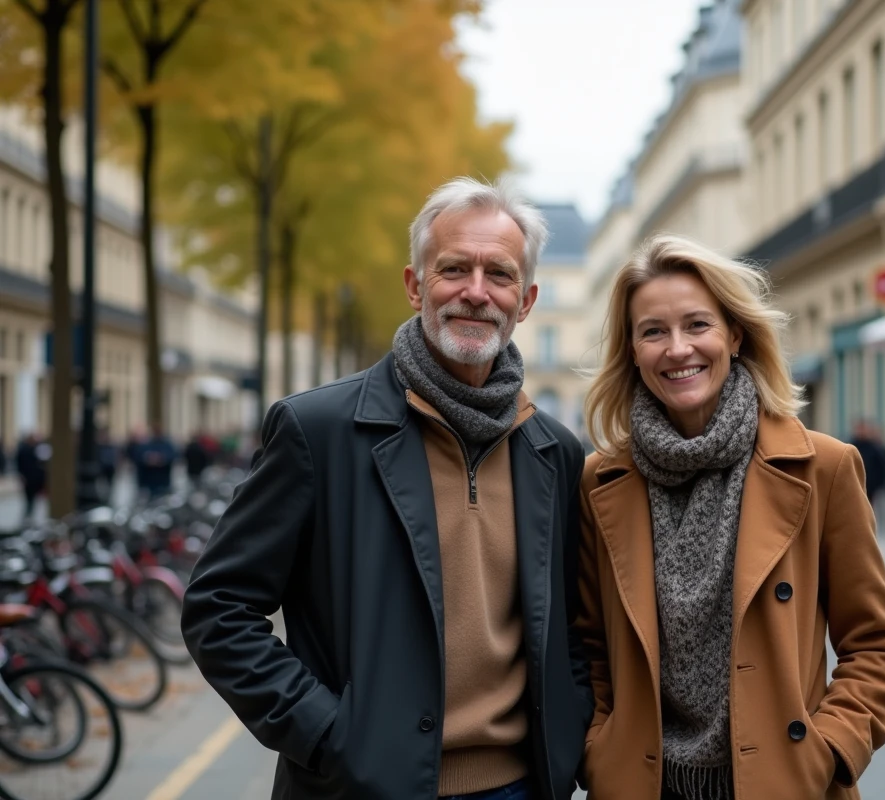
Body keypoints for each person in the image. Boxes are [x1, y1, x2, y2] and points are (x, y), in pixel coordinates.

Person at [182, 178, 592, 800]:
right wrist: (327, 735)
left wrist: (568, 730)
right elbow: (219, 608)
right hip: (360, 785)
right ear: (415, 284)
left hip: (521, 787)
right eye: (453, 268)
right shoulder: (316, 430)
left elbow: (571, 628)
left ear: (527, 299)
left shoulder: (554, 451)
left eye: (499, 275)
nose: (476, 292)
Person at [576, 234, 885, 800]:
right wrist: (599, 752)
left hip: (784, 785)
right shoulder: (600, 482)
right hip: (643, 785)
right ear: (632, 351)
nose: (678, 348)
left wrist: (828, 750)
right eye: (653, 331)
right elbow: (586, 647)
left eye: (697, 325)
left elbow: (878, 644)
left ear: (734, 334)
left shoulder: (822, 468)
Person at [850, 419, 885, 532]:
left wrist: (878, 483)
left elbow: (882, 467)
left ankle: (867, 529)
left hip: (870, 486)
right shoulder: (850, 446)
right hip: (853, 485)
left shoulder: (874, 448)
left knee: (868, 510)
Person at [15, 433, 47, 520]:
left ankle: (29, 517)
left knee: (33, 501)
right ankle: (27, 517)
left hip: (35, 479)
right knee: (29, 500)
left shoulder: (35, 449)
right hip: (29, 479)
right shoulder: (25, 450)